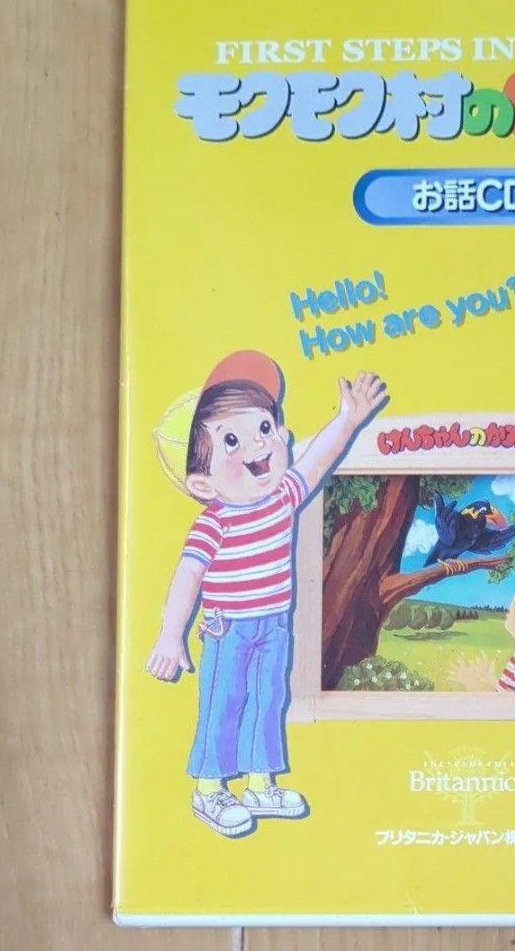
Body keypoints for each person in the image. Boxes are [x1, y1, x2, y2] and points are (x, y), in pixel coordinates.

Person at [144, 350, 386, 836]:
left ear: (282, 434)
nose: (259, 444)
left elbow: (317, 459)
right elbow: (188, 577)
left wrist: (348, 419)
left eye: (264, 428)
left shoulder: (283, 497)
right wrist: (171, 636)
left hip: (274, 625)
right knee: (224, 702)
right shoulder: (213, 523)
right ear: (202, 483)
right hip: (228, 629)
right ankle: (209, 789)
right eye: (231, 440)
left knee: (268, 699)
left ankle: (260, 784)